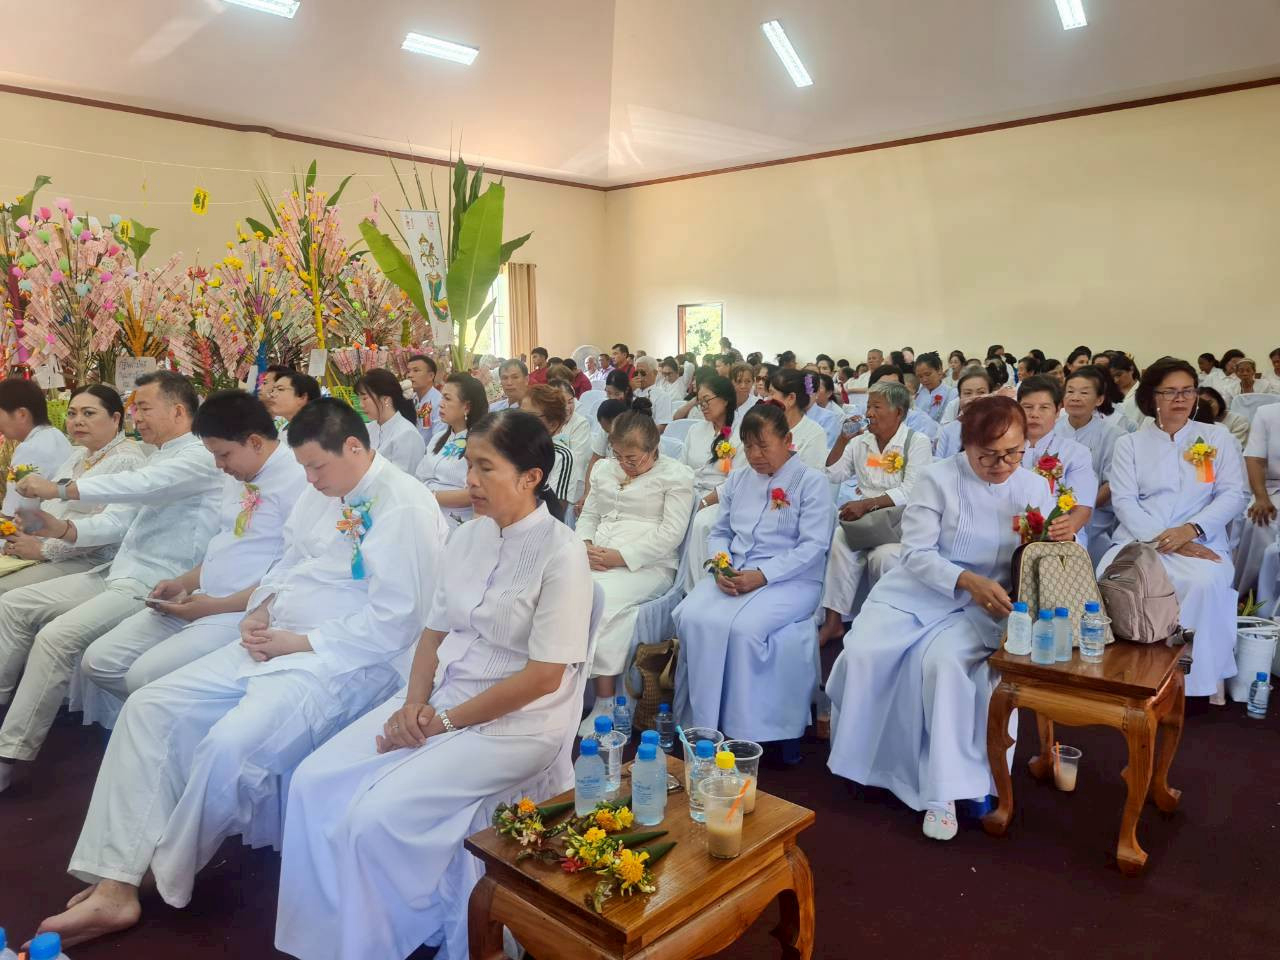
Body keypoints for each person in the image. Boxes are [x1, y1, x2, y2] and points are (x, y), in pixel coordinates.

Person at [36, 398, 451, 946]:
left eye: (317, 467)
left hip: (343, 659)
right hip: (274, 636)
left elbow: (400, 622)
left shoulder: (406, 506)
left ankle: (162, 871)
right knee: (150, 707)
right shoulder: (320, 491)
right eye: (302, 467)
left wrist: (298, 641)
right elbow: (289, 560)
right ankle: (114, 880)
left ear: (355, 447)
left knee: (228, 745)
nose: (308, 478)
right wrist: (260, 607)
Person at [274, 410, 590, 960]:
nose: (469, 480)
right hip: (440, 699)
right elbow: (431, 633)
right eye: (468, 464)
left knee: (374, 819)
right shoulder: (468, 540)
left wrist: (440, 721)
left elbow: (544, 677)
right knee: (311, 781)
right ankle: (326, 939)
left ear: (530, 477)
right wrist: (414, 703)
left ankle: (376, 942)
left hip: (517, 726)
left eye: (484, 468)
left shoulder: (562, 553)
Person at [827, 397, 1056, 840]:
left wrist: (1059, 533)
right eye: (987, 455)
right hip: (923, 591)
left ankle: (946, 792)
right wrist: (966, 580)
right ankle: (870, 765)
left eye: (1012, 453)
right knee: (861, 652)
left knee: (944, 665)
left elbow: (1042, 557)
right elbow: (915, 554)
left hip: (988, 606)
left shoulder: (1035, 488)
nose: (1001, 464)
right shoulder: (938, 479)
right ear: (966, 446)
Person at [0, 371, 222, 793]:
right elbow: (118, 518)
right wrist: (60, 529)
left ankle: (9, 753)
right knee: (14, 605)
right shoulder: (157, 455)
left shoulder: (196, 457)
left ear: (178, 410)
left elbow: (138, 486)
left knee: (56, 637)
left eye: (143, 407)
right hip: (116, 570)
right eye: (134, 407)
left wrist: (61, 492)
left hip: (154, 581)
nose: (137, 417)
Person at [75, 391, 309, 728]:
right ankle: (159, 722)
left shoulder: (300, 482)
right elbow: (225, 546)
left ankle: (171, 730)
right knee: (99, 661)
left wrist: (210, 606)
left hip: (241, 610)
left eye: (223, 454)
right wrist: (182, 583)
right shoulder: (237, 473)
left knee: (143, 677)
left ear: (256, 442)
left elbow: (287, 576)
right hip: (199, 597)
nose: (219, 465)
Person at [673, 402, 834, 746]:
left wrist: (762, 575)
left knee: (744, 630)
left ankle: (747, 730)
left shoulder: (811, 482)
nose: (756, 454)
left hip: (792, 579)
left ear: (788, 440)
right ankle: (701, 722)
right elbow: (720, 531)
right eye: (748, 446)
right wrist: (721, 566)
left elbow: (812, 547)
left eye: (764, 445)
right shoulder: (740, 478)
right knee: (690, 616)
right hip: (737, 573)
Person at [1099, 357, 1249, 702]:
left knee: (1202, 581)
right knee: (1116, 574)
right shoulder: (1130, 444)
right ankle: (1130, 674)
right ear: (1152, 397)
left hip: (1203, 540)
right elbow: (1124, 502)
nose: (1180, 399)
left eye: (1187, 391)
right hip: (1140, 540)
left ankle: (1190, 684)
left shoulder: (1215, 438)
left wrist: (1192, 530)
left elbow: (1232, 493)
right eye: (1171, 392)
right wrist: (1168, 540)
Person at [576, 412, 693, 730]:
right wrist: (583, 545)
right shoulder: (603, 469)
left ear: (653, 448)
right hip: (597, 556)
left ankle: (604, 702)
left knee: (601, 602)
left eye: (633, 458)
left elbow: (671, 534)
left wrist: (620, 557)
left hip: (647, 565)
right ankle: (563, 692)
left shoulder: (677, 476)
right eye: (619, 456)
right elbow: (589, 514)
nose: (625, 464)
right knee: (556, 593)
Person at [0, 386, 147, 595]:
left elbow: (109, 529)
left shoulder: (126, 460)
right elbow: (55, 507)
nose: (78, 421)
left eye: (88, 413)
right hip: (49, 549)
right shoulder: (80, 456)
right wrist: (25, 533)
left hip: (91, 562)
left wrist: (43, 550)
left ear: (115, 419)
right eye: (72, 413)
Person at [818, 381, 933, 645]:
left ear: (899, 413)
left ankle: (880, 623)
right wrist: (842, 438)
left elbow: (911, 490)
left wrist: (866, 505)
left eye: (877, 407)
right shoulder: (861, 441)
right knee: (839, 540)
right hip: (865, 518)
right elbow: (833, 473)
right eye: (868, 406)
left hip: (898, 520)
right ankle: (834, 621)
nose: (869, 413)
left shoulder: (917, 442)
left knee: (882, 557)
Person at [680, 375, 745, 591]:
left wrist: (705, 502)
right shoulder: (696, 430)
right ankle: (672, 578)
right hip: (691, 489)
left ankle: (698, 588)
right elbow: (682, 468)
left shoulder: (740, 433)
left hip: (722, 497)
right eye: (699, 402)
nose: (702, 407)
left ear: (725, 399)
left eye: (707, 400)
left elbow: (736, 481)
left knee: (701, 522)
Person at [1055, 366, 1124, 565]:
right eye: (1070, 391)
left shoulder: (1114, 435)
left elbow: (1110, 484)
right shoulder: (1052, 429)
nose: (1075, 397)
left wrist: (1083, 508)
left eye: (1084, 393)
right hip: (1052, 512)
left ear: (1099, 399)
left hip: (1097, 517)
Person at [1017, 375, 1097, 545]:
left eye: (1044, 407)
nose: (1034, 414)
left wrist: (1066, 529)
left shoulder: (1075, 453)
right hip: (1009, 531)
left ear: (1058, 410)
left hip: (1057, 536)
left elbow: (1082, 507)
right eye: (1027, 407)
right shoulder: (1003, 448)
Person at [415, 372, 489, 526]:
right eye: (442, 397)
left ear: (467, 407)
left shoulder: (481, 443)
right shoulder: (439, 437)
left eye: (447, 398)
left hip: (456, 520)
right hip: (425, 511)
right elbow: (420, 476)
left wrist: (430, 496)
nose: (440, 404)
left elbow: (476, 493)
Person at [0, 378, 72, 517]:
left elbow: (13, 513)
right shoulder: (55, 434)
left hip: (39, 529)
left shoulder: (29, 449)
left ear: (22, 414)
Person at [1235, 402, 1280, 596]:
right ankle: (1251, 594)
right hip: (1272, 487)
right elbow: (1255, 459)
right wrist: (1261, 497)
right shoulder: (1267, 413)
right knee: (1260, 520)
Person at [356, 368, 426, 472]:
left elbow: (404, 479)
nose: (361, 405)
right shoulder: (370, 428)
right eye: (359, 398)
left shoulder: (407, 434)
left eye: (365, 398)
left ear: (386, 399)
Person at [522, 384, 576, 512]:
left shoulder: (562, 456)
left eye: (529, 417)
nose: (520, 422)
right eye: (520, 414)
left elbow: (556, 508)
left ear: (552, 424)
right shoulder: (511, 448)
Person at [769, 368, 829, 469]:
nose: (768, 399)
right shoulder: (767, 425)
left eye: (772, 393)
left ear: (791, 398)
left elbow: (810, 478)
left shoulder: (814, 434)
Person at [550, 377, 593, 507]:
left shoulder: (580, 423)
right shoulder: (544, 420)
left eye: (570, 402)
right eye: (562, 403)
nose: (567, 407)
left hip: (571, 481)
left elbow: (576, 460)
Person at [935, 369, 993, 459]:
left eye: (981, 392)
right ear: (959, 397)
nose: (974, 398)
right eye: (967, 393)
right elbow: (938, 463)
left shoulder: (1001, 427)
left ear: (990, 395)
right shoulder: (948, 430)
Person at [267, 370, 320, 437]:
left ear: (302, 397)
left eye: (280, 389)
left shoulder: (319, 435)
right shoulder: (283, 429)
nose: (272, 394)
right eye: (273, 390)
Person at [406, 354, 443, 437]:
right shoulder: (410, 398)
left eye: (416, 370)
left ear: (431, 376)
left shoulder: (439, 402)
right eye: (408, 371)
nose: (410, 375)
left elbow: (439, 436)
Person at [913, 353, 956, 424]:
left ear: (939, 371)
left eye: (928, 374)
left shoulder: (952, 394)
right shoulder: (919, 393)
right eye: (920, 376)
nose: (924, 380)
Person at [631, 356, 674, 426]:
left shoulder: (662, 396)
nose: (638, 376)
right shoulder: (633, 392)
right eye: (636, 373)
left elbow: (662, 426)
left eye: (642, 373)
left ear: (655, 373)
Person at [807, 373, 843, 448]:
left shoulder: (837, 415)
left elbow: (828, 446)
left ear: (829, 393)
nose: (811, 392)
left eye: (818, 388)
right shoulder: (805, 410)